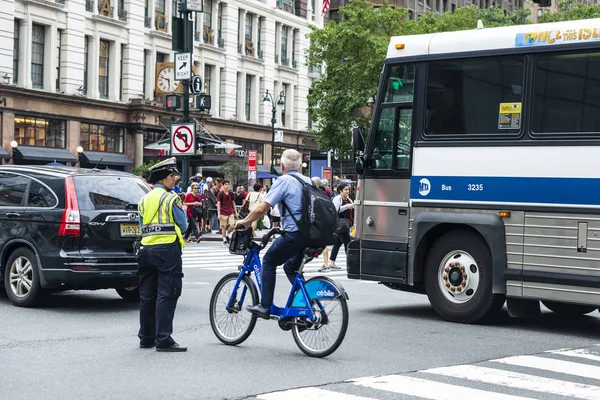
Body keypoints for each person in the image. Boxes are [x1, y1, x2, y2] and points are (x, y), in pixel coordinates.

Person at [236, 149, 317, 319]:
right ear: (300, 167)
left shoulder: (284, 181)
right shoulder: (309, 181)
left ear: (282, 166)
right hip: (314, 235)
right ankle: (307, 303)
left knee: (269, 260)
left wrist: (245, 222)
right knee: (290, 267)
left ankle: (265, 306)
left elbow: (261, 208)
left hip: (295, 235)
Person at [136, 157, 187, 352]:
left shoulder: (143, 200)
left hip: (146, 249)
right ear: (163, 179)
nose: (174, 179)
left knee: (147, 295)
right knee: (167, 293)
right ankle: (163, 339)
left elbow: (142, 227)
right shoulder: (171, 198)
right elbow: (182, 224)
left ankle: (146, 337)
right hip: (167, 250)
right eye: (171, 176)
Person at [329, 184, 355, 270]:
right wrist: (347, 206)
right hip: (341, 225)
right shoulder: (337, 199)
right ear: (340, 191)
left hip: (345, 225)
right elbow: (335, 209)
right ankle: (351, 263)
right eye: (346, 190)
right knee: (348, 244)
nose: (347, 191)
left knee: (337, 244)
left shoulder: (348, 199)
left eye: (348, 190)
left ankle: (332, 262)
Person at [311, 177, 331, 272]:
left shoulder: (316, 195)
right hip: (325, 222)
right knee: (323, 244)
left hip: (318, 223)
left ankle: (326, 264)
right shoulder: (326, 194)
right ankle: (326, 263)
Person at [217, 180, 236, 246]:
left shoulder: (231, 193)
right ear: (223, 185)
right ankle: (224, 239)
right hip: (223, 212)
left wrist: (235, 211)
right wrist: (219, 214)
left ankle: (227, 234)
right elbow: (219, 203)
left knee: (232, 225)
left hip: (230, 211)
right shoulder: (220, 194)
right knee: (223, 226)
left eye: (228, 184)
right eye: (225, 184)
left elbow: (233, 202)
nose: (227, 186)